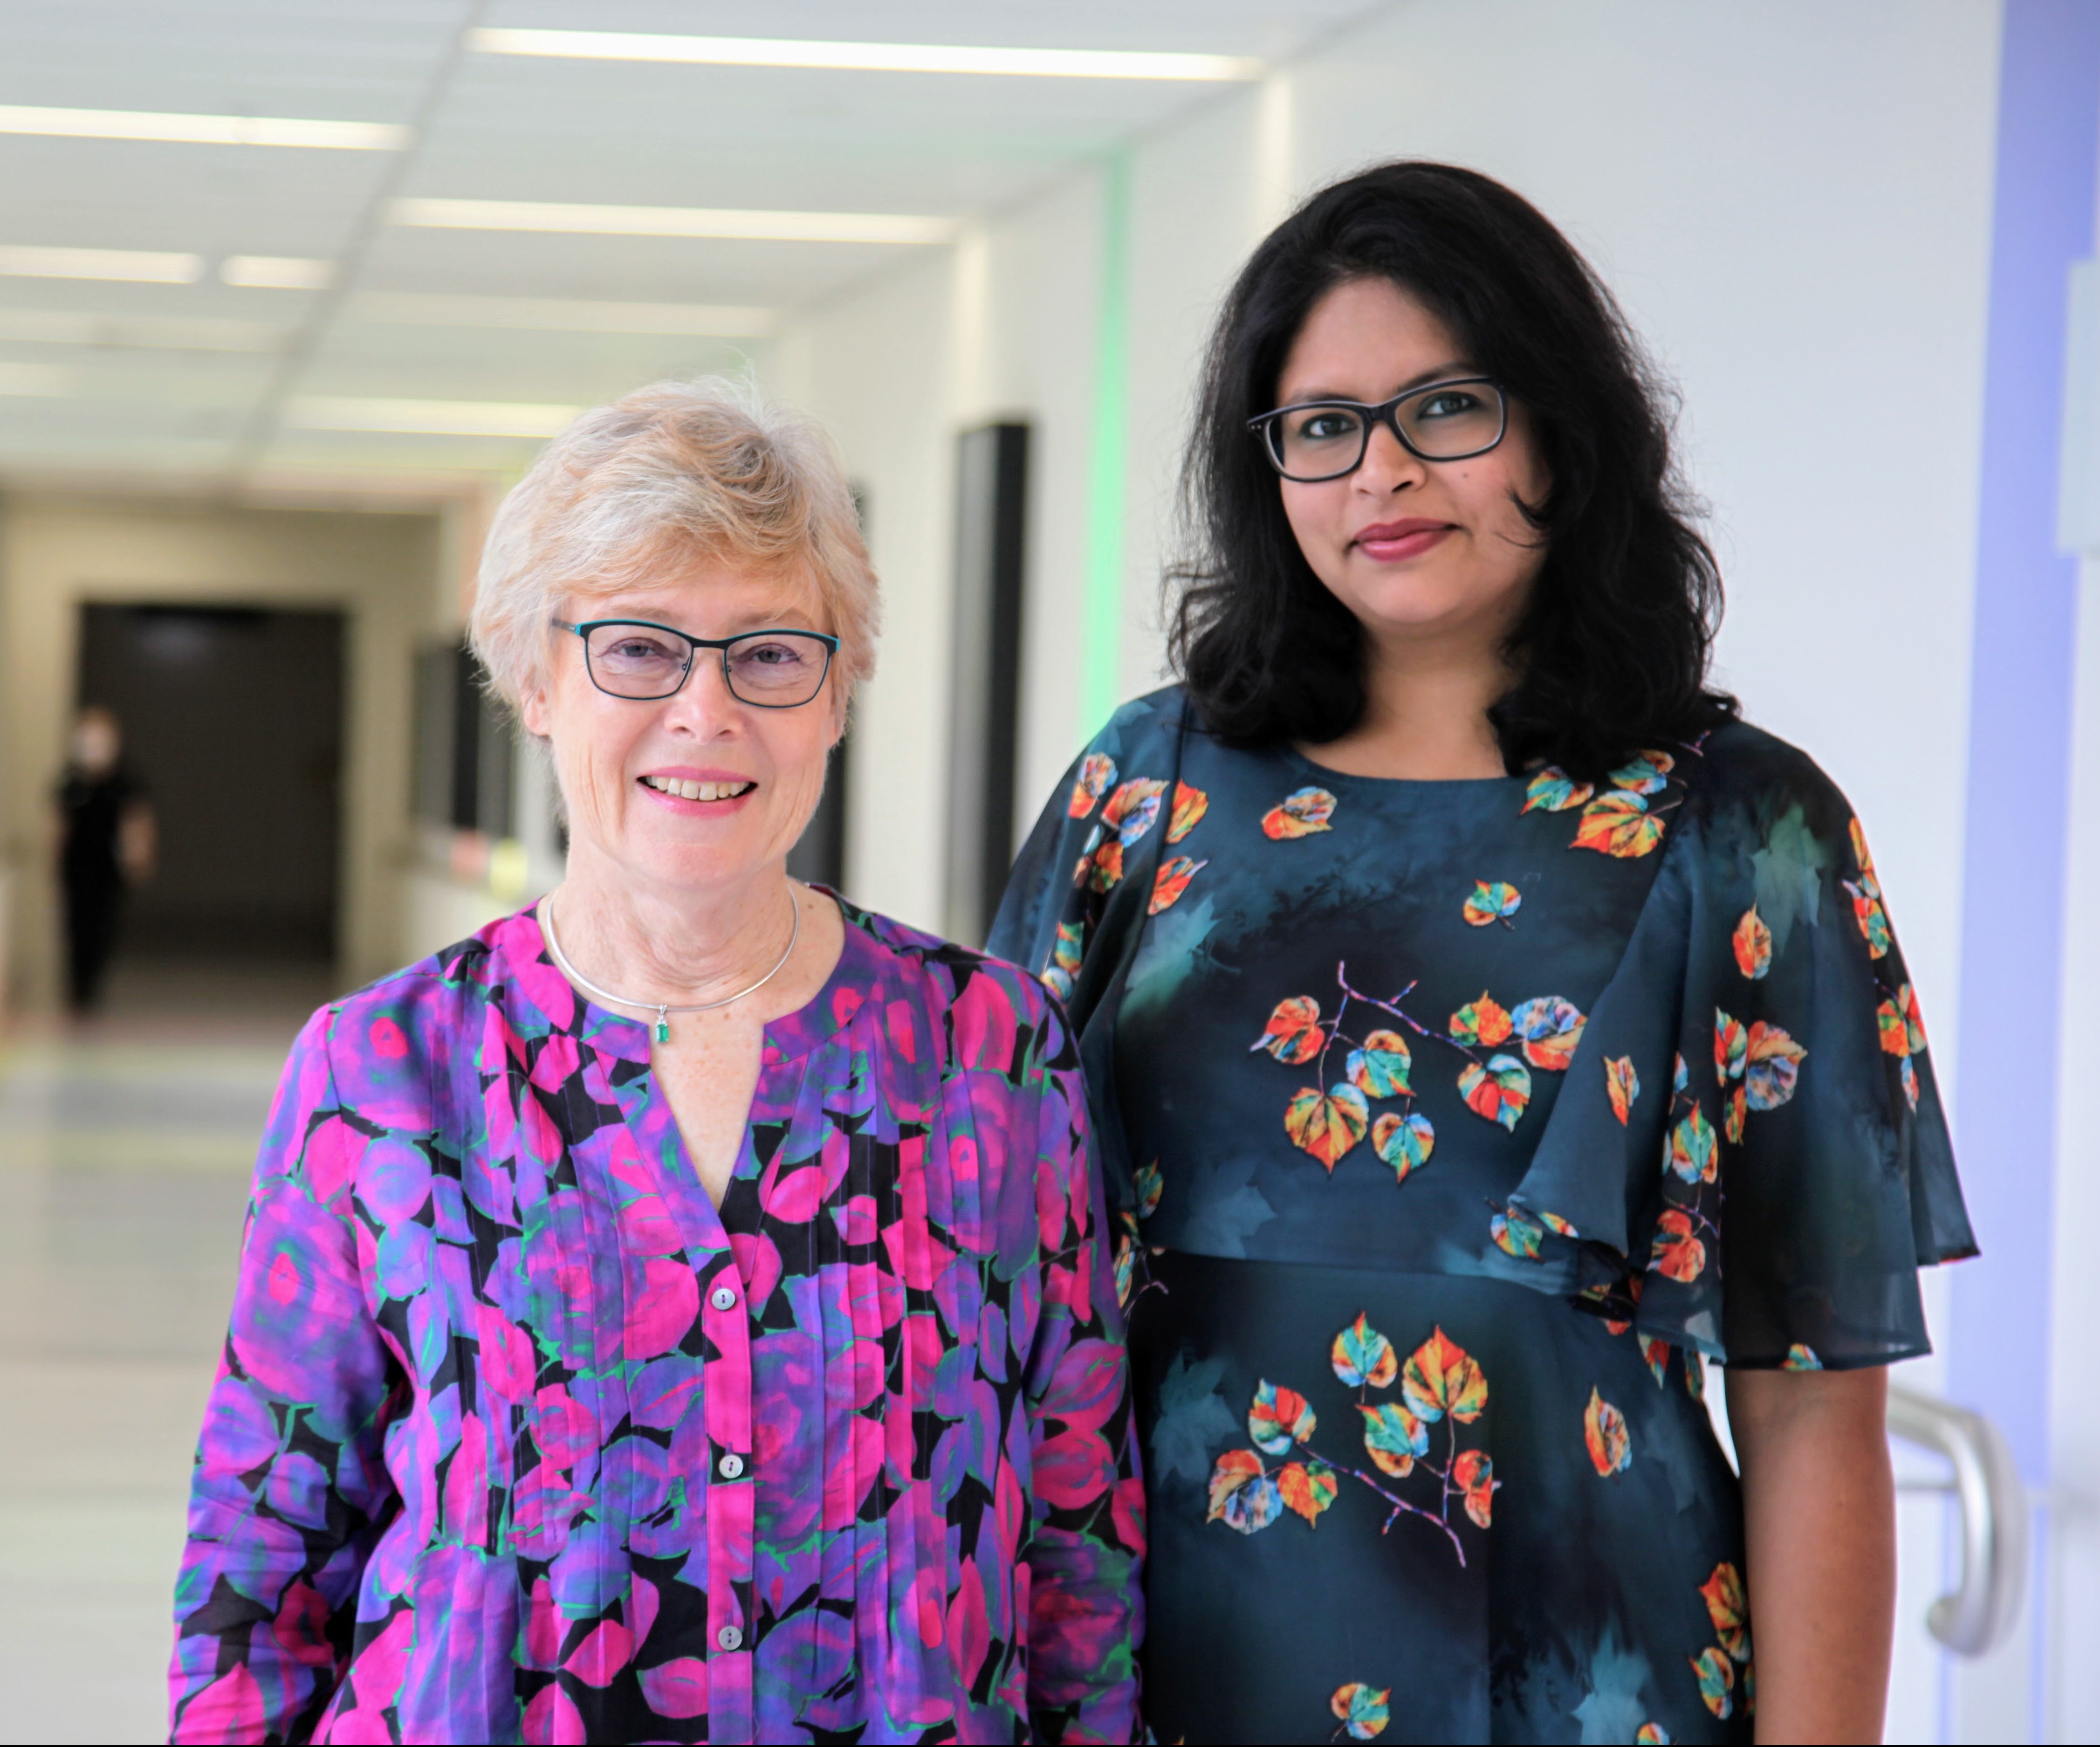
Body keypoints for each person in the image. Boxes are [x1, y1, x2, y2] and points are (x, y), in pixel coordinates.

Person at [990, 162, 1972, 1745]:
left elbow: (1808, 1403)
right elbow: (987, 1258)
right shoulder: (1142, 780)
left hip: (1590, 1663)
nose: (1381, 471)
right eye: (1321, 425)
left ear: (1562, 428)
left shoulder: (1747, 826)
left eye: (1443, 406)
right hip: (1154, 1649)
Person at [168, 381, 1143, 1745]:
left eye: (768, 654)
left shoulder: (987, 1049)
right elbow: (257, 1569)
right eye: (638, 649)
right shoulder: (382, 1069)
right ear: (534, 675)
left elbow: (1078, 1531)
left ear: (835, 689)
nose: (704, 710)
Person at [53, 705, 153, 1011]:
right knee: (76, 924)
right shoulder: (71, 781)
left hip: (108, 867)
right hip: (76, 866)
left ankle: (93, 981)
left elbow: (137, 821)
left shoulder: (124, 781)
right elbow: (58, 825)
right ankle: (77, 985)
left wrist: (140, 854)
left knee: (103, 924)